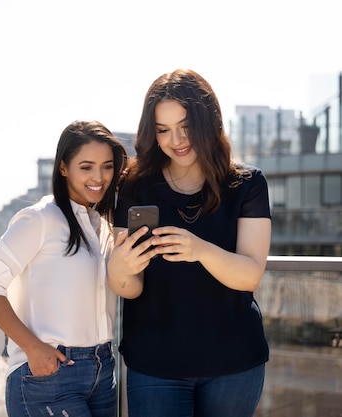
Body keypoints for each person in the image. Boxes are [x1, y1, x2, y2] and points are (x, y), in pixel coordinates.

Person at [107, 69, 271, 417]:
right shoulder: (135, 187)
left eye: (185, 126)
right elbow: (130, 288)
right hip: (154, 363)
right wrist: (119, 268)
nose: (176, 140)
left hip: (235, 362)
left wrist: (199, 250)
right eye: (163, 130)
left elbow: (250, 275)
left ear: (208, 122)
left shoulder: (248, 184)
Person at [0, 120, 127, 417]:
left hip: (103, 370)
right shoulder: (40, 218)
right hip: (49, 374)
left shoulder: (105, 226)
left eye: (107, 166)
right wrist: (32, 347)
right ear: (63, 168)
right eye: (86, 167)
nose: (99, 177)